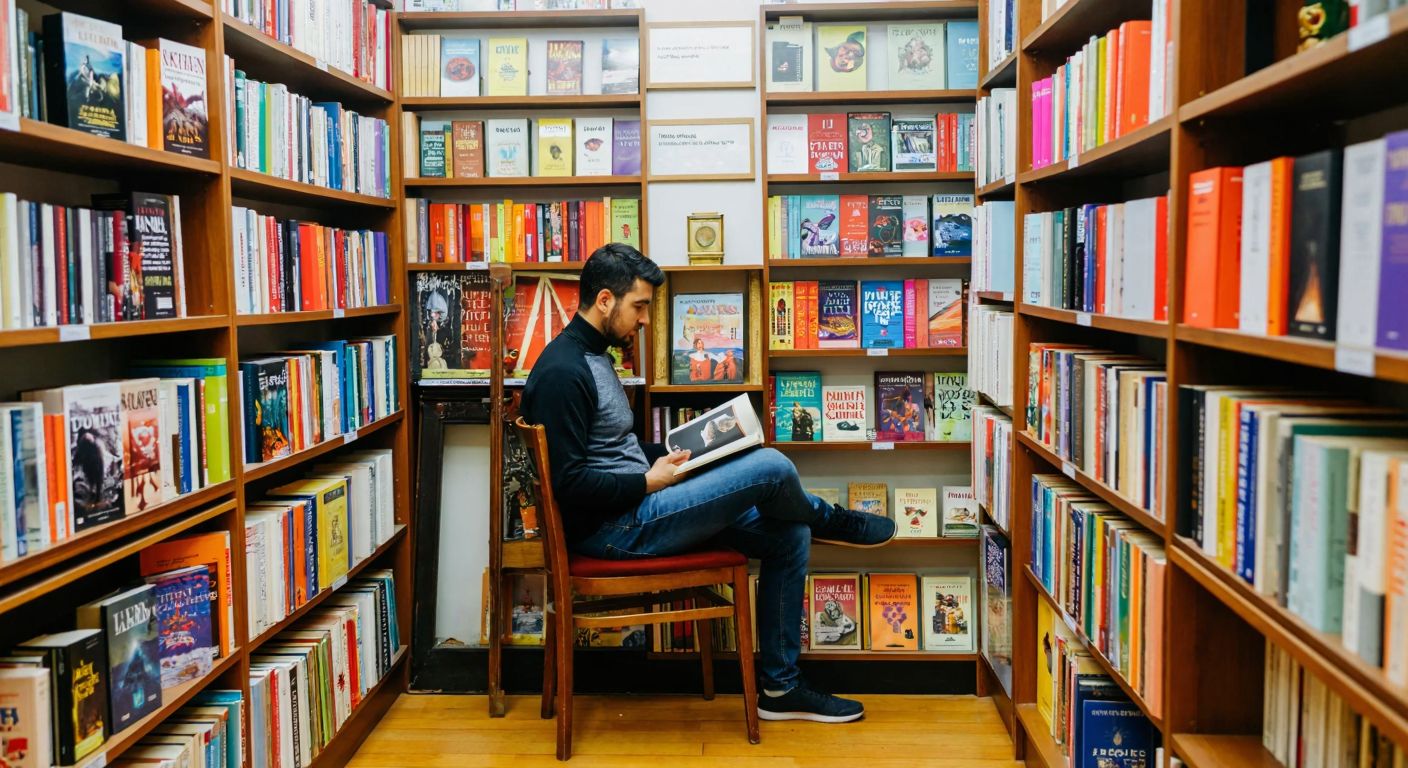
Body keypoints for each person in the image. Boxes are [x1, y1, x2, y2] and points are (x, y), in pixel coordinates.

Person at [522, 243, 895, 723]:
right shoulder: (562, 371)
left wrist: (686, 453)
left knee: (789, 535)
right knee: (772, 467)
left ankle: (781, 690)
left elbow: (617, 452)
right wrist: (647, 483)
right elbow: (568, 485)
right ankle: (834, 518)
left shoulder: (595, 356)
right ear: (605, 301)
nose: (645, 320)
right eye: (639, 306)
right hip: (618, 530)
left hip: (639, 507)